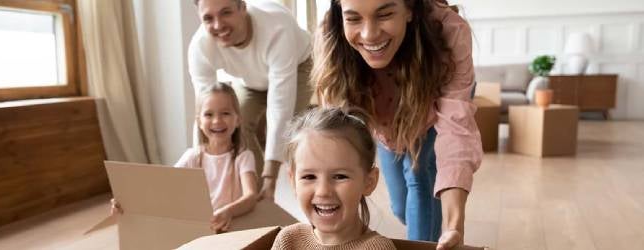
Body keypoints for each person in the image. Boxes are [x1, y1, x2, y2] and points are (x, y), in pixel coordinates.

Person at [312, 0, 482, 249]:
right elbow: (336, 134)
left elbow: (456, 130)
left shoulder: (449, 30)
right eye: (354, 19)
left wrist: (454, 225)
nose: (369, 34)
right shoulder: (330, 33)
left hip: (431, 114)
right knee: (402, 207)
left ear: (410, 9)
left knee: (419, 176)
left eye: (385, 14)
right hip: (383, 125)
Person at [188, 0, 312, 200]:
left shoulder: (277, 27)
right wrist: (199, 166)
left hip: (298, 65)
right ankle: (251, 192)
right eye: (208, 18)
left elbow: (280, 108)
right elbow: (205, 112)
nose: (218, 25)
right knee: (236, 122)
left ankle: (276, 190)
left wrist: (270, 177)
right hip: (248, 79)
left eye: (226, 13)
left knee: (291, 131)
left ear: (243, 8)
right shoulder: (199, 47)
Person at [112, 82, 259, 233]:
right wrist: (128, 202)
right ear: (199, 122)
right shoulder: (192, 157)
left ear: (238, 119)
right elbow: (161, 185)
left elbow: (251, 196)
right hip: (198, 230)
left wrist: (228, 212)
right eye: (209, 114)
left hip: (230, 231)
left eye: (225, 113)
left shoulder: (243, 157)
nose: (217, 121)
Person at [271, 107, 394, 249]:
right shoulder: (288, 240)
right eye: (309, 176)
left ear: (369, 182)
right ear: (293, 181)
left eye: (340, 176)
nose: (323, 191)